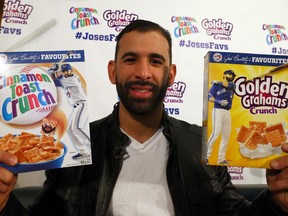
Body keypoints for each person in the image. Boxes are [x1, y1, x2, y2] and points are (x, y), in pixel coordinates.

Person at [0, 19, 288, 216]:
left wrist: (277, 203)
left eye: (155, 61)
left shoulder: (201, 146)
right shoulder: (77, 148)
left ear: (170, 75)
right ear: (113, 71)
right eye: (130, 59)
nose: (143, 73)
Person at [49, 63, 91, 160]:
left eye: (67, 71)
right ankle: (83, 152)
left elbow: (57, 81)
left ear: (71, 71)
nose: (65, 73)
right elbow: (56, 79)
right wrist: (54, 71)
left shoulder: (73, 79)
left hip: (82, 104)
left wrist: (54, 71)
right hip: (76, 107)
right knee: (70, 130)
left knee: (78, 127)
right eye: (64, 71)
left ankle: (93, 145)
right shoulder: (66, 79)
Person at [206, 70, 236, 165]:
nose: (230, 76)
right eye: (229, 74)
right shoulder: (216, 86)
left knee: (226, 136)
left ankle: (221, 159)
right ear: (224, 75)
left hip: (227, 112)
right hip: (218, 110)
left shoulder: (232, 85)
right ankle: (206, 156)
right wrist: (219, 101)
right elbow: (208, 96)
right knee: (215, 134)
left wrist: (218, 82)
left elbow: (230, 86)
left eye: (232, 75)